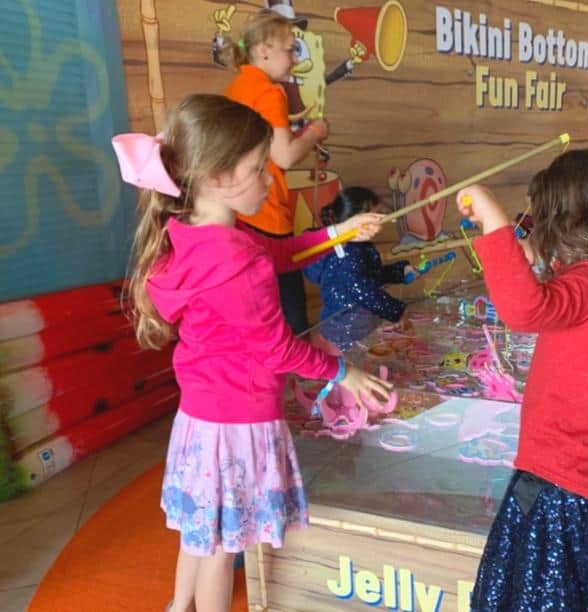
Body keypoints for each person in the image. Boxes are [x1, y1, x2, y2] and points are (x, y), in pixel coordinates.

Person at [113, 94, 392, 612]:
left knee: (201, 533)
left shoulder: (194, 231)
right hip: (238, 422)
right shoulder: (233, 258)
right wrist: (341, 373)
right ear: (218, 177)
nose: (269, 180)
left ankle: (178, 608)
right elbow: (277, 347)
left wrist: (338, 233)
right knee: (224, 547)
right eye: (258, 169)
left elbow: (279, 252)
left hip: (202, 417)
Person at [456, 149, 588, 611]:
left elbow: (524, 309)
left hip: (560, 487)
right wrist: (535, 256)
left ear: (569, 223)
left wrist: (495, 222)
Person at [222, 12, 329, 334]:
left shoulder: (235, 89)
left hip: (238, 215)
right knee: (294, 320)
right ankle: (303, 381)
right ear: (263, 49)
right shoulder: (269, 92)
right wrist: (314, 133)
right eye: (290, 49)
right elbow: (283, 156)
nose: (295, 58)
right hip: (267, 216)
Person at [304, 187, 414, 324]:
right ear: (355, 221)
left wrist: (400, 271)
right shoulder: (347, 253)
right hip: (343, 328)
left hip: (357, 323)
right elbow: (363, 291)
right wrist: (398, 311)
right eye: (375, 216)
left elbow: (371, 276)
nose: (380, 223)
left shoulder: (360, 246)